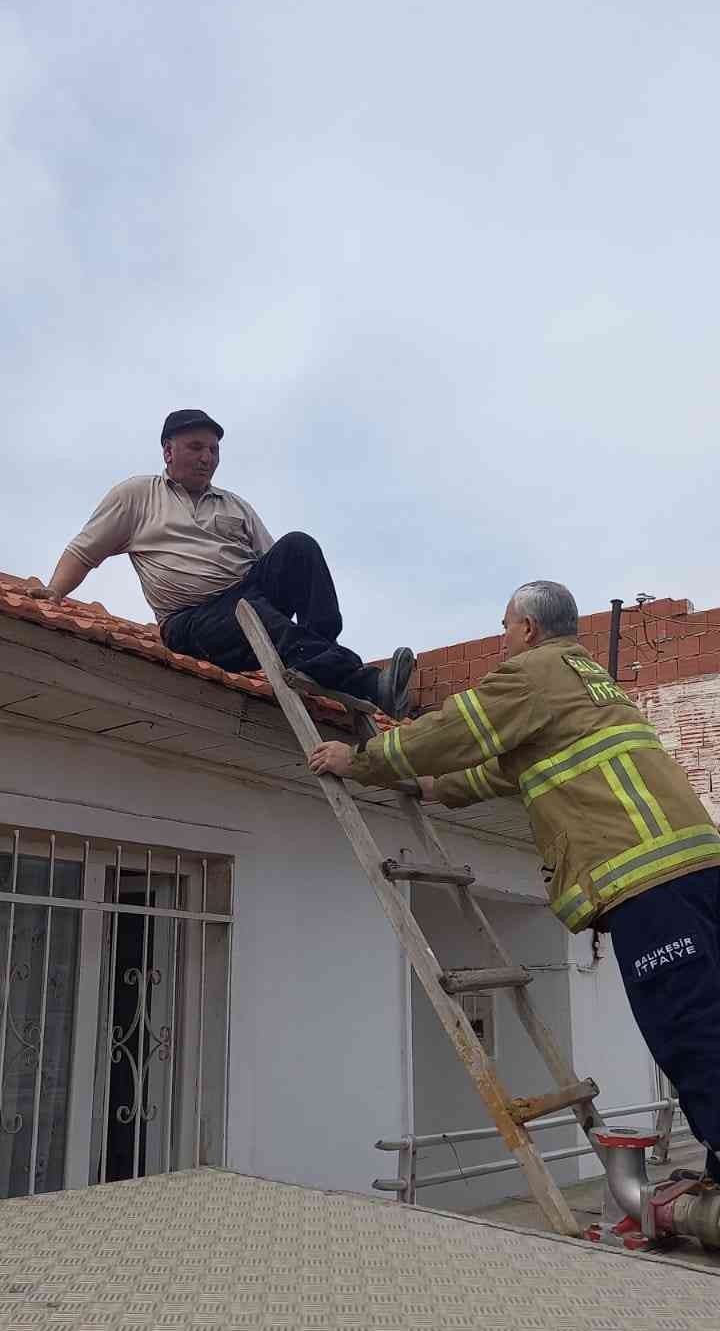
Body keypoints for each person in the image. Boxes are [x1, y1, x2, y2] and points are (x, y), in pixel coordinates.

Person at [310, 579, 720, 1184]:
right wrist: (431, 787)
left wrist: (363, 760)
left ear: (527, 628)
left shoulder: (530, 674)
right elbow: (504, 769)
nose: (502, 638)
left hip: (646, 877)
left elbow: (453, 730)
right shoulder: (586, 682)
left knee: (687, 1025)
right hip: (698, 870)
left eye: (505, 626)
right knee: (709, 1014)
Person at [28, 408, 415, 718]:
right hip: (191, 621)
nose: (207, 458)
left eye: (213, 450)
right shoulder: (137, 496)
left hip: (246, 597)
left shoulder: (234, 505)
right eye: (196, 447)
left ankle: (321, 657)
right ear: (168, 452)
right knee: (249, 610)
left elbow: (279, 565)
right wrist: (54, 591)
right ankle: (367, 683)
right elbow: (84, 551)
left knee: (299, 546)